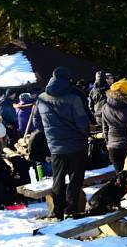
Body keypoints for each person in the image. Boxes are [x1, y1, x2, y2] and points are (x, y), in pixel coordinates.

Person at [33, 67, 91, 220]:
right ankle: (71, 210)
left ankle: (58, 211)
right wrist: (86, 136)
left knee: (57, 179)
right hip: (77, 145)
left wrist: (50, 136)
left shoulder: (41, 98)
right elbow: (83, 123)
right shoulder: (74, 98)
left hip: (55, 147)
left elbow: (37, 123)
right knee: (75, 179)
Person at [101, 79, 127, 171]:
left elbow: (105, 127)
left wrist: (108, 142)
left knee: (120, 177)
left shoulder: (105, 106)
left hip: (113, 146)